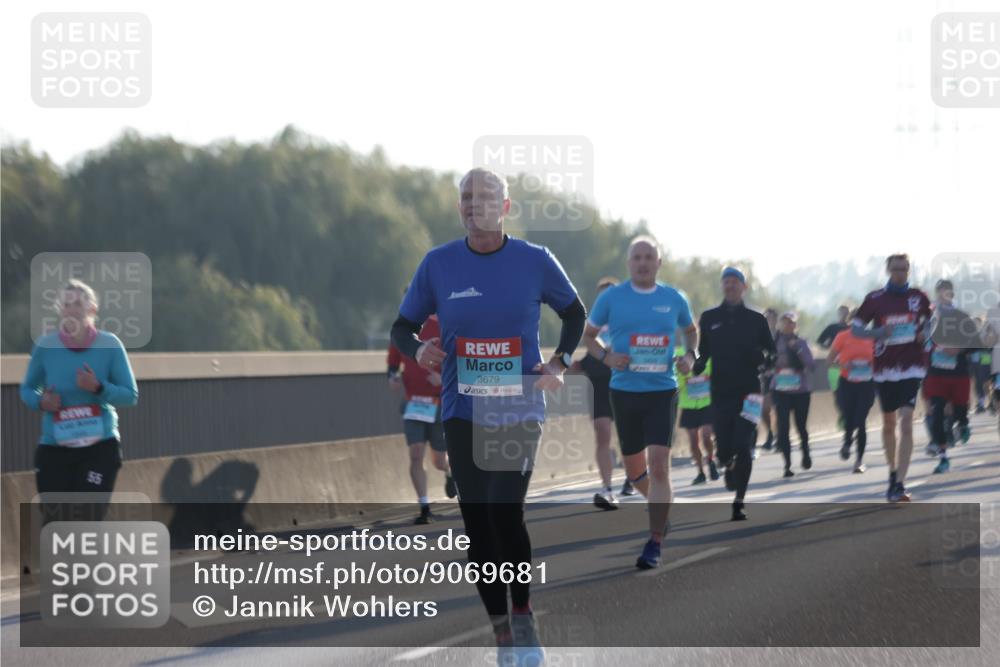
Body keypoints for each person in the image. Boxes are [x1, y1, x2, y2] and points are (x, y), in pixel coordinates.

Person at [390, 168, 585, 665]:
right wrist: (419, 350)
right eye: (465, 197)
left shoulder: (535, 261)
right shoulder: (439, 265)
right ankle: (501, 631)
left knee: (505, 513)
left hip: (519, 407)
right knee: (477, 527)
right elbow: (402, 326)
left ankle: (523, 613)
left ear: (506, 206)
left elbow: (575, 313)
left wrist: (560, 362)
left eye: (484, 197)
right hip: (462, 411)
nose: (472, 204)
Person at [583, 235, 697, 569]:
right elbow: (587, 336)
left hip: (663, 390)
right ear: (629, 263)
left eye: (649, 257)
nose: (643, 263)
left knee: (660, 464)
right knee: (635, 473)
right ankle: (659, 511)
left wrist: (691, 355)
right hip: (624, 391)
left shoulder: (674, 298)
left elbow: (692, 331)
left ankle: (654, 541)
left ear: (658, 263)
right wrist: (606, 357)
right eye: (637, 257)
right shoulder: (613, 299)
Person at [20, 280, 138, 512]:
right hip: (55, 448)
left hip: (99, 447)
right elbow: (27, 389)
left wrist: (98, 388)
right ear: (60, 310)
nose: (72, 309)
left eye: (78, 304)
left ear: (92, 309)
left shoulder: (110, 345)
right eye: (66, 304)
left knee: (86, 516)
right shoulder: (46, 347)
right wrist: (41, 401)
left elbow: (130, 395)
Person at [693, 267, 776, 521]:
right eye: (726, 282)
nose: (730, 286)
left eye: (735, 282)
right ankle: (726, 463)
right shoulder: (708, 318)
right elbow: (702, 352)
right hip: (720, 392)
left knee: (744, 443)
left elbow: (772, 354)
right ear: (722, 286)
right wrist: (695, 364)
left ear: (744, 287)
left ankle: (739, 501)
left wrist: (762, 359)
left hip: (750, 392)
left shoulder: (756, 320)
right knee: (726, 448)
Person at [852, 253, 931, 503]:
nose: (900, 273)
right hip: (885, 368)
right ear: (888, 270)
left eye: (904, 269)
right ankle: (892, 472)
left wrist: (923, 335)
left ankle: (899, 483)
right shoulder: (875, 299)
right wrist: (878, 332)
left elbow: (931, 324)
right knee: (889, 424)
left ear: (909, 270)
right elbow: (855, 328)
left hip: (912, 367)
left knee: (906, 421)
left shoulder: (918, 297)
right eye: (896, 269)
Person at [387, 308, 456, 524]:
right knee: (416, 454)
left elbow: (460, 366)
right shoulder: (403, 330)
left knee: (439, 461)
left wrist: (442, 380)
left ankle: (449, 472)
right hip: (414, 403)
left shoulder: (448, 326)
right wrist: (393, 378)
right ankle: (424, 506)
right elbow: (392, 364)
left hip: (438, 404)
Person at [573, 277, 627, 510]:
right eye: (602, 295)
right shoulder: (593, 325)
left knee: (629, 437)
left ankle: (632, 476)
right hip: (599, 386)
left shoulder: (630, 319)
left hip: (626, 384)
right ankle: (607, 488)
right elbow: (587, 356)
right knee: (603, 433)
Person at [923, 280, 984, 474]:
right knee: (937, 412)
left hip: (958, 373)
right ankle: (943, 457)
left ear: (951, 294)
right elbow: (921, 340)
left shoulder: (962, 318)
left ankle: (964, 424)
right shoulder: (929, 317)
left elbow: (976, 344)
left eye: (946, 292)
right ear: (937, 293)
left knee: (959, 411)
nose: (943, 295)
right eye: (940, 292)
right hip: (936, 373)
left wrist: (959, 349)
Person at [828, 312, 876, 473]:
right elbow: (829, 361)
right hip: (847, 383)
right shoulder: (842, 337)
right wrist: (843, 365)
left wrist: (872, 365)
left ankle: (859, 461)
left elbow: (882, 359)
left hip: (866, 384)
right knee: (849, 417)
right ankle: (847, 441)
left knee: (860, 420)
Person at [772, 311, 816, 477]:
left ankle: (805, 452)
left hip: (800, 391)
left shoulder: (802, 342)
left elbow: (811, 365)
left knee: (801, 426)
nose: (788, 325)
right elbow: (766, 360)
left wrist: (798, 350)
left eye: (791, 322)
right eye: (785, 322)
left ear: (796, 325)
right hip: (780, 389)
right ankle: (787, 464)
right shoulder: (774, 342)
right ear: (780, 324)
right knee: (783, 427)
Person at [676, 344, 717, 485]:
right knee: (693, 441)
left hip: (706, 403)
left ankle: (711, 460)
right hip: (688, 405)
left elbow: (714, 373)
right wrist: (682, 371)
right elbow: (676, 380)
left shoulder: (706, 354)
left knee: (706, 435)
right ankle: (700, 472)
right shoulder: (678, 355)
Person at [818, 305, 851, 433]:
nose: (843, 314)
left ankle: (849, 418)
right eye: (841, 312)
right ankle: (844, 416)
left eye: (846, 312)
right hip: (834, 367)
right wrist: (830, 349)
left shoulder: (852, 328)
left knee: (849, 394)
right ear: (838, 313)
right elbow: (820, 341)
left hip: (849, 367)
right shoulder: (832, 328)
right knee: (837, 395)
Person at [759, 307, 779, 452]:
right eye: (766, 318)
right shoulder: (758, 336)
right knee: (764, 409)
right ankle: (771, 434)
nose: (769, 321)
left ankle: (779, 436)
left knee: (777, 407)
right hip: (764, 377)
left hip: (780, 377)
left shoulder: (781, 336)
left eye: (771, 318)